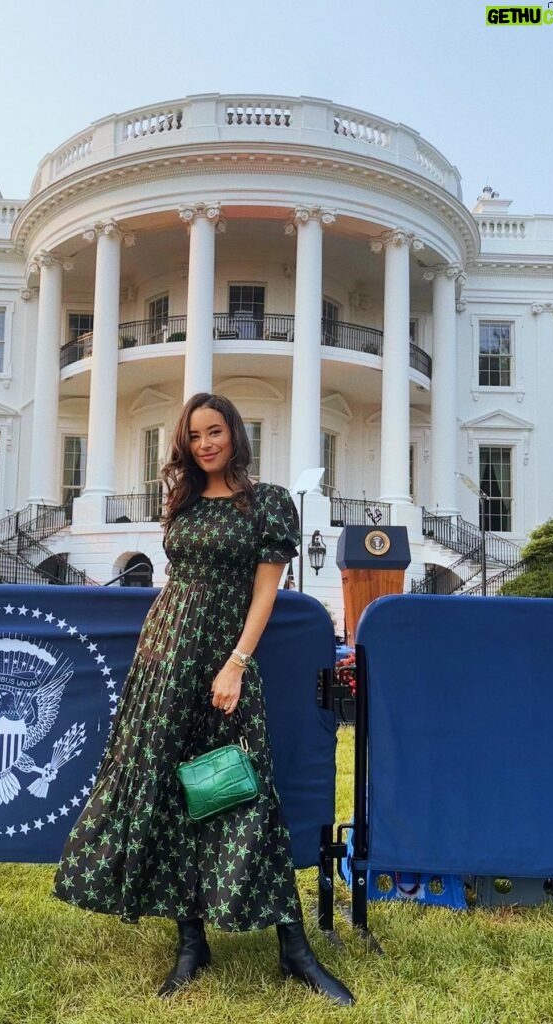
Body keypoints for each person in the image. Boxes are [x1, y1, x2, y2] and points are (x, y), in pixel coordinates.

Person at [54, 392, 353, 1005]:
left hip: (225, 664)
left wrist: (236, 664)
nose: (206, 443)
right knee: (169, 793)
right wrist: (165, 652)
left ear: (234, 434)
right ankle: (191, 944)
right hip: (164, 657)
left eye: (214, 432)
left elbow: (265, 594)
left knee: (245, 791)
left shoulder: (265, 504)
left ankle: (294, 949)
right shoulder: (182, 500)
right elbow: (177, 583)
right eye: (194, 436)